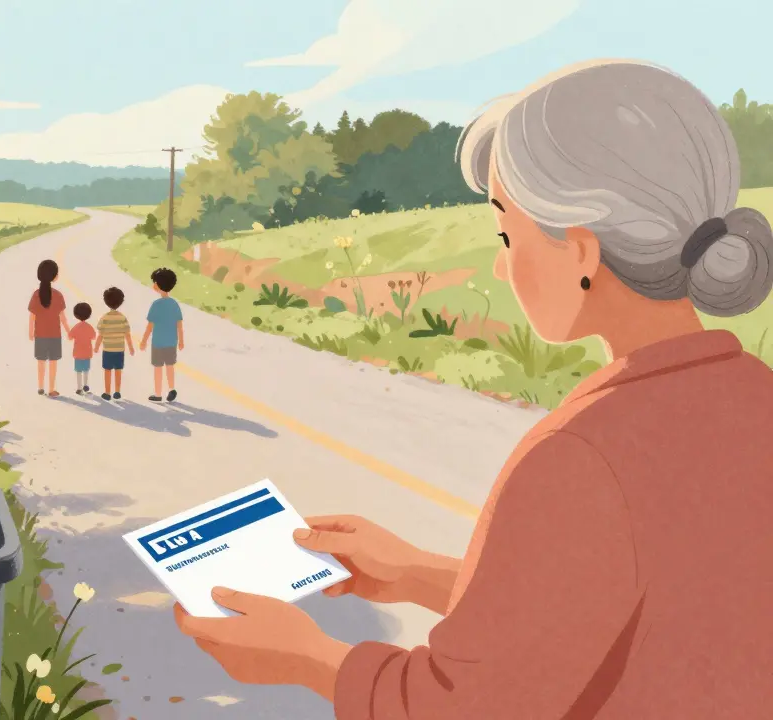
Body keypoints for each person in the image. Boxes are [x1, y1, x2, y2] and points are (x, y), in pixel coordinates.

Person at [173, 59, 773, 718]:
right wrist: (415, 572)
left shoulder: (583, 456)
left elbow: (463, 707)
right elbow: (631, 611)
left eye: (506, 232)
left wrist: (310, 658)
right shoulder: (751, 397)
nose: (499, 260)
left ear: (580, 252)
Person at [139, 267, 185, 402]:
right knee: (170, 366)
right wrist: (181, 340)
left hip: (158, 342)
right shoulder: (174, 304)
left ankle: (158, 394)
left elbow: (150, 325)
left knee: (158, 368)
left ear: (158, 285)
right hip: (171, 341)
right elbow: (179, 324)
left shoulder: (156, 305)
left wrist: (143, 341)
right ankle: (171, 388)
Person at [28, 259, 69, 397]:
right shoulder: (58, 295)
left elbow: (32, 316)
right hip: (55, 335)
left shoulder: (35, 294)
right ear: (54, 276)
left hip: (40, 334)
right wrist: (69, 331)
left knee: (41, 362)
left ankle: (40, 387)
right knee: (53, 363)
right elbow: (62, 317)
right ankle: (51, 389)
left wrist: (30, 332)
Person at [94, 286, 135, 401]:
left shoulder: (104, 318)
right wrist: (131, 348)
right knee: (118, 370)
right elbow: (127, 334)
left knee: (107, 370)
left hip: (107, 350)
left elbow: (100, 334)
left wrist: (96, 347)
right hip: (119, 350)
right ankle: (117, 391)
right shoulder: (122, 318)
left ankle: (107, 392)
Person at [68, 302, 97, 394]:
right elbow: (93, 337)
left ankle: (79, 388)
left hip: (77, 353)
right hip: (87, 352)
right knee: (86, 370)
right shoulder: (89, 327)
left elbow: (70, 337)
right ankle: (86, 385)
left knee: (78, 371)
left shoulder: (76, 327)